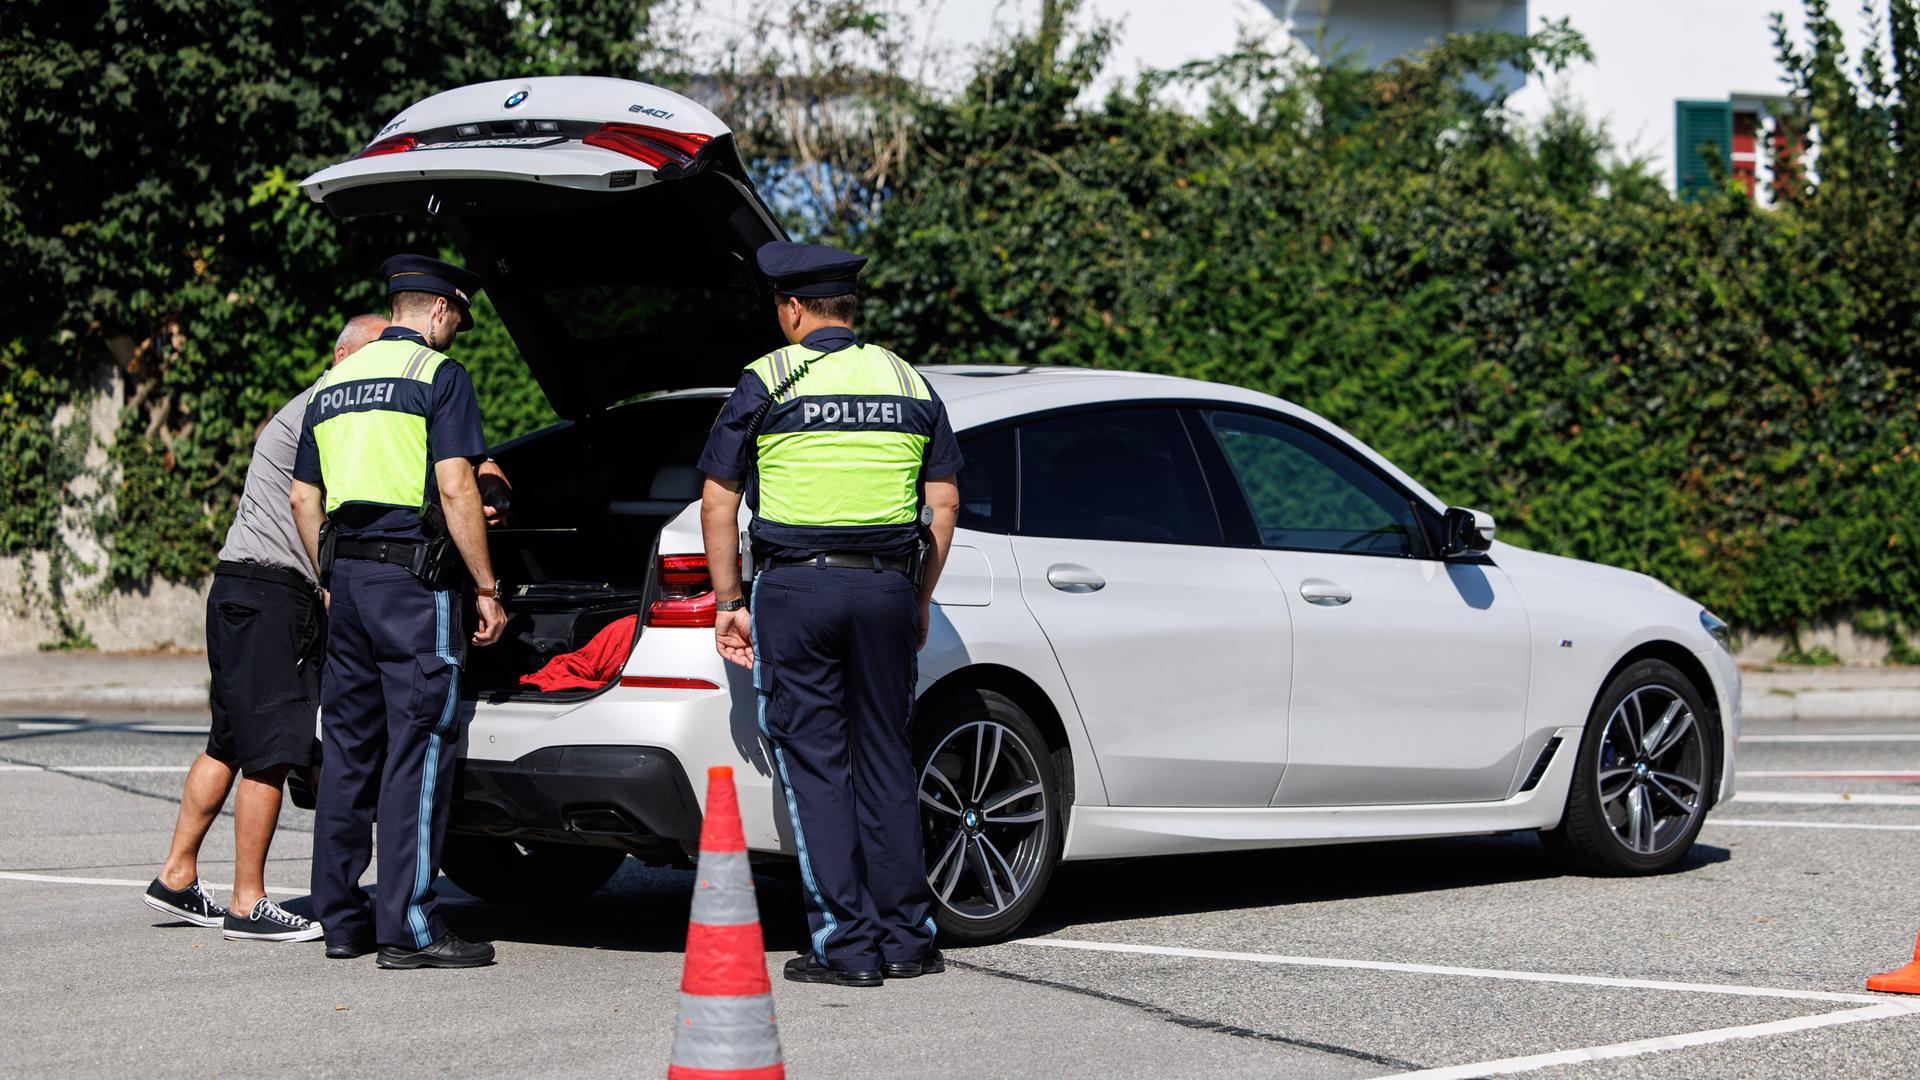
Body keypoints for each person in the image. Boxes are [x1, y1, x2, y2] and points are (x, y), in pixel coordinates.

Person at [698, 241, 962, 988]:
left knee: (817, 766)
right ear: (851, 307)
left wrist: (729, 603)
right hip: (883, 588)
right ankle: (908, 939)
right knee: (885, 759)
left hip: (797, 591)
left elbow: (720, 500)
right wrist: (918, 596)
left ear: (791, 308)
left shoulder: (769, 378)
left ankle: (845, 946)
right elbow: (942, 503)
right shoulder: (907, 380)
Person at [143, 313, 389, 942]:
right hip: (275, 595)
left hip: (234, 587)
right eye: (373, 355)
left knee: (227, 740)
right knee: (274, 750)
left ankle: (176, 875)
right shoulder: (333, 409)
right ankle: (248, 904)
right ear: (343, 356)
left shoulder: (302, 406)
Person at [291, 255, 506, 969]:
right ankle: (409, 925)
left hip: (347, 582)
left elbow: (302, 498)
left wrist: (327, 577)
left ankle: (342, 920)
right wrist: (485, 586)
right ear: (440, 311)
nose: (456, 334)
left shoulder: (334, 383)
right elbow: (454, 487)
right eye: (458, 321)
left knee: (350, 751)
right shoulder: (438, 378)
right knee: (419, 749)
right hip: (414, 590)